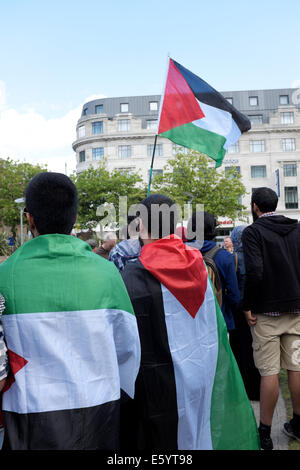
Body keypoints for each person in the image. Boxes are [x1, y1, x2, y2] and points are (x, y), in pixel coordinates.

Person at [0, 172, 140, 450]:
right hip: (98, 416)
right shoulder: (107, 274)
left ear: (29, 219)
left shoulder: (4, 275)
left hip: (26, 424)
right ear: (74, 218)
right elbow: (128, 352)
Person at [121, 194, 259, 450]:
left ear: (140, 225)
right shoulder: (199, 265)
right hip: (201, 372)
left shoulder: (133, 274)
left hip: (160, 387)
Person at [242, 187, 300, 450]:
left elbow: (254, 271)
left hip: (267, 312)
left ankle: (265, 433)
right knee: (296, 367)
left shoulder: (252, 231)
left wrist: (248, 305)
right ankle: (297, 424)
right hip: (296, 309)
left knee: (269, 371)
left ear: (255, 207)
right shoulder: (297, 228)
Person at [186, 212, 240, 332]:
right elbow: (233, 294)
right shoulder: (224, 257)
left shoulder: (181, 254)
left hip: (189, 322)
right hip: (218, 319)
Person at [229, 226, 260, 401]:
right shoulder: (257, 255)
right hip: (255, 309)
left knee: (239, 350)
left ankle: (242, 390)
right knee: (256, 348)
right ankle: (256, 388)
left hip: (238, 311)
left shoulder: (234, 257)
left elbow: (232, 288)